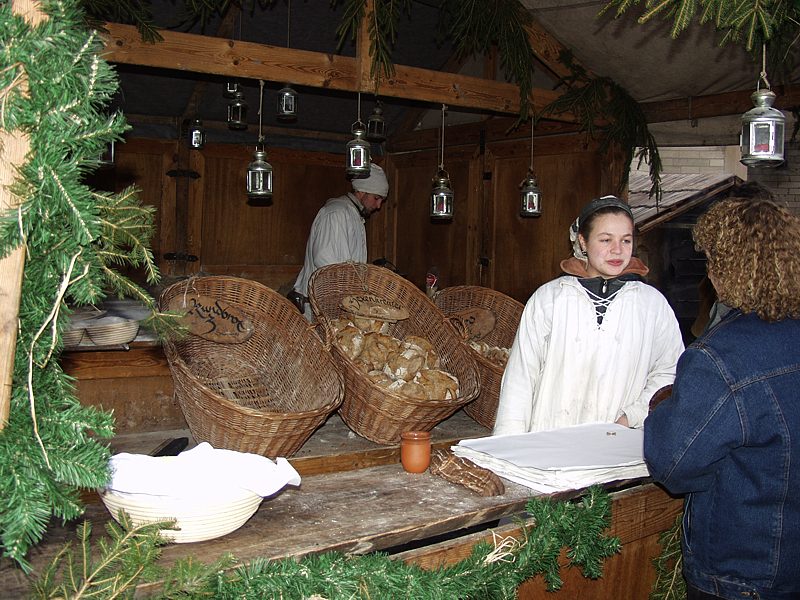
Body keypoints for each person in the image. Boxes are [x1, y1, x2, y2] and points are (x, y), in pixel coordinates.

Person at [644, 197, 800, 600]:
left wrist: (664, 407)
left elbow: (673, 465)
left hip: (742, 572)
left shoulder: (719, 358)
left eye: (712, 261)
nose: (709, 273)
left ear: (728, 269)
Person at [493, 195, 684, 435]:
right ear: (583, 241)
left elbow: (670, 370)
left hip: (617, 449)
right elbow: (520, 379)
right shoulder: (550, 299)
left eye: (626, 240)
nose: (617, 250)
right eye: (605, 240)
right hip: (551, 448)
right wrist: (509, 448)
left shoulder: (651, 305)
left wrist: (631, 416)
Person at [289, 163, 389, 320]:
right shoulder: (336, 214)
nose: (378, 206)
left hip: (335, 307)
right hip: (320, 310)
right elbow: (328, 268)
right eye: (376, 198)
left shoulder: (353, 216)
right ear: (362, 192)